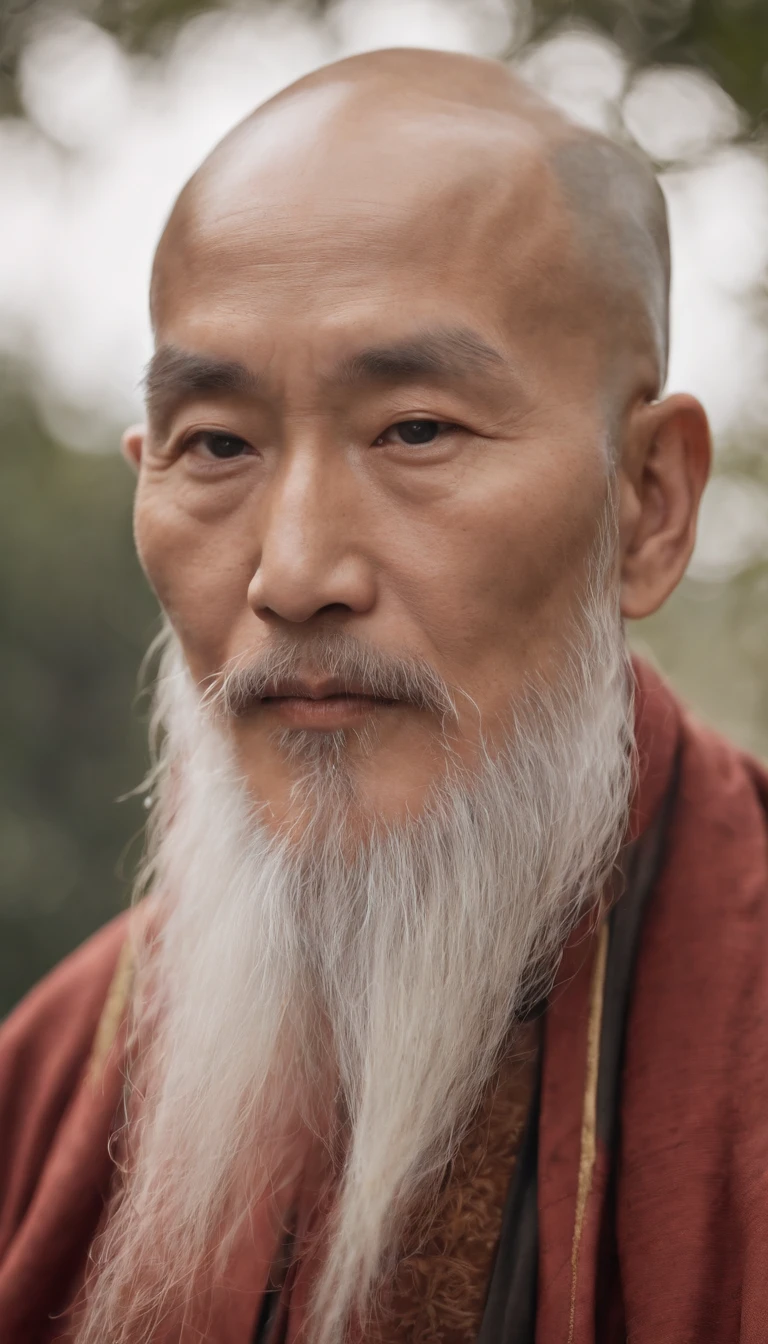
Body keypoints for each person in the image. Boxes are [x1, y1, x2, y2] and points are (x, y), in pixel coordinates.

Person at [1, 45, 766, 1344]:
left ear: (648, 503)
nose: (294, 574)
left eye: (417, 430)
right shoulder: (55, 1074)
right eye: (218, 447)